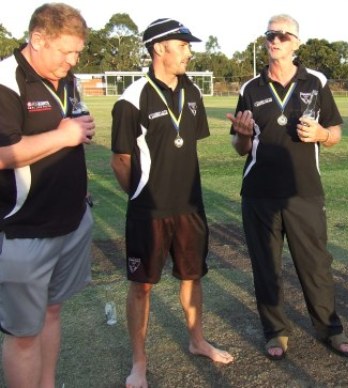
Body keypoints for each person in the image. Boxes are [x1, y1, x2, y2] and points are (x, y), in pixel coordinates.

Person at [111, 18, 234, 388]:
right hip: (149, 211)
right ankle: (139, 362)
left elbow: (186, 143)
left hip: (190, 207)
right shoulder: (131, 98)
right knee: (142, 285)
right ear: (159, 48)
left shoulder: (192, 92)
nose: (189, 51)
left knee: (192, 276)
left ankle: (197, 342)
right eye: (182, 45)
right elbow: (120, 159)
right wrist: (142, 195)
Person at [227, 14, 348, 361]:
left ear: (297, 43)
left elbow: (336, 133)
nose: (276, 39)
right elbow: (241, 148)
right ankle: (275, 331)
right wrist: (240, 135)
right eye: (270, 34)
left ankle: (330, 328)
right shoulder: (250, 89)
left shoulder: (315, 82)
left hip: (305, 191)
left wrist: (322, 135)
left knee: (316, 264)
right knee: (266, 266)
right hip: (259, 194)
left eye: (284, 35)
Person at [0, 3, 95, 387]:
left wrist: (77, 130)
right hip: (25, 231)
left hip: (70, 223)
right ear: (37, 39)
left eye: (77, 52)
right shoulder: (6, 81)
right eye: (66, 51)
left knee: (52, 312)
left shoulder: (67, 78)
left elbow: (74, 126)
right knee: (24, 334)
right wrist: (63, 136)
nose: (72, 61)